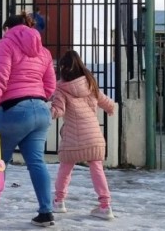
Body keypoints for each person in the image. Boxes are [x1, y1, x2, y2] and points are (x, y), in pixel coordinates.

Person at [0, 13, 57, 228]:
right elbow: (50, 86)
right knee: (37, 162)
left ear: (8, 28)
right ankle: (46, 212)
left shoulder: (5, 44)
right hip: (40, 110)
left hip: (14, 110)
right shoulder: (44, 51)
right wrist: (36, 98)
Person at [50, 49, 115, 220]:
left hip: (72, 136)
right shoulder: (90, 83)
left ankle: (59, 201)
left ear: (63, 67)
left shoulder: (61, 88)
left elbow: (58, 110)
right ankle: (105, 205)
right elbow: (106, 101)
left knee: (65, 168)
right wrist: (111, 108)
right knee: (97, 168)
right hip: (94, 135)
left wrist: (47, 110)